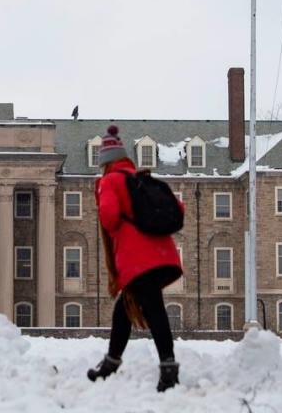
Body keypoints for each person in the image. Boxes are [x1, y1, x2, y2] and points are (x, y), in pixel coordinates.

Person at [87, 125, 183, 392]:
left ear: (105, 162)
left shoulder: (111, 181)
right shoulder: (140, 178)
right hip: (162, 254)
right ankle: (111, 363)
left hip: (139, 259)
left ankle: (169, 369)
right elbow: (179, 207)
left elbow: (108, 216)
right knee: (124, 309)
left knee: (153, 308)